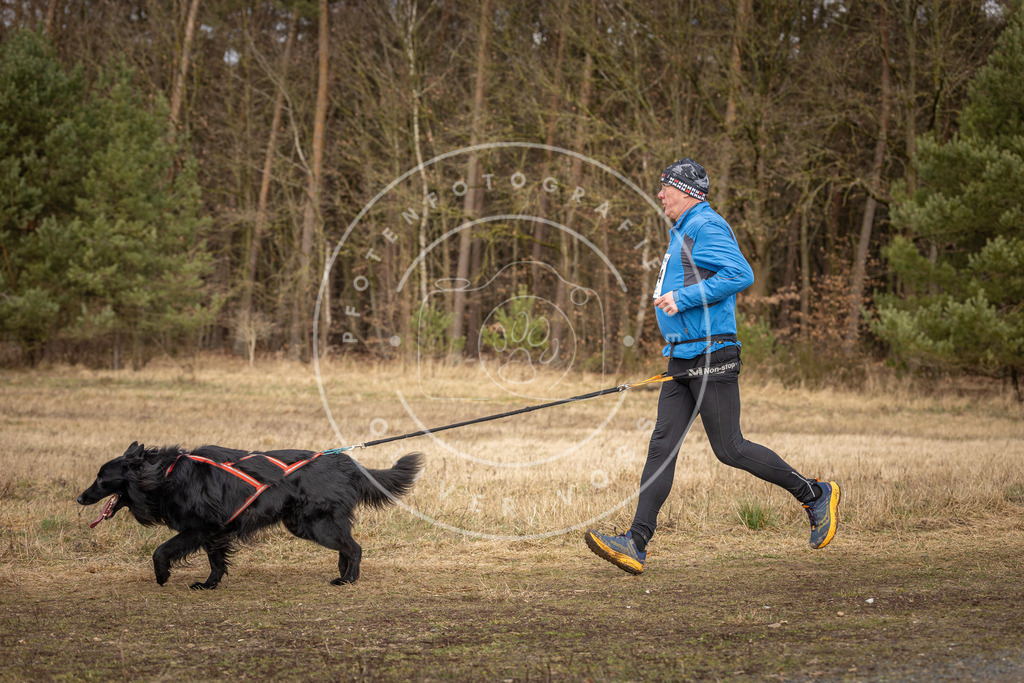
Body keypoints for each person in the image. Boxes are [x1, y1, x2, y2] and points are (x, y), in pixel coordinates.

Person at [584, 158, 841, 575]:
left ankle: (815, 494)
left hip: (712, 354)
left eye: (665, 188)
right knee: (661, 448)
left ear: (684, 190)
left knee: (730, 448)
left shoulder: (706, 226)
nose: (660, 195)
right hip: (683, 356)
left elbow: (741, 274)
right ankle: (635, 542)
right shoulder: (682, 232)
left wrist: (683, 300)